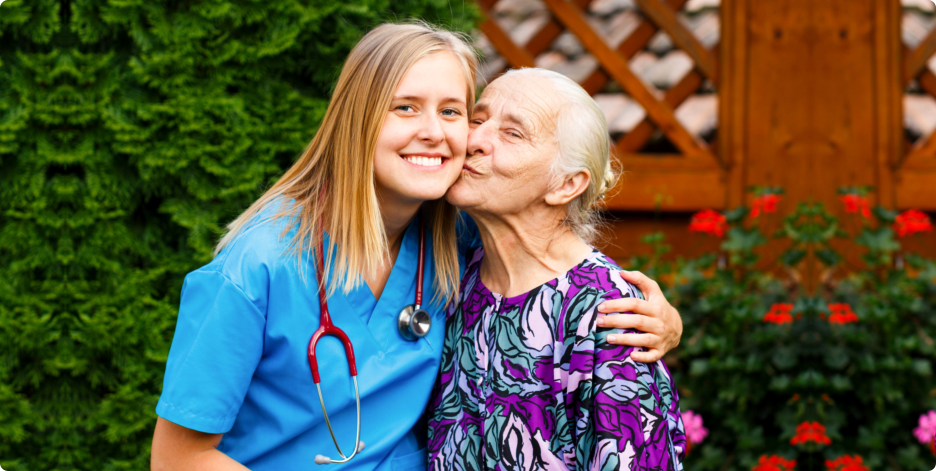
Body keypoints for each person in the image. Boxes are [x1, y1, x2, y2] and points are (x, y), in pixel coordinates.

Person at [150, 23, 683, 471]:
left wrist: (663, 319)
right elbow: (176, 459)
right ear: (358, 119)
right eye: (405, 108)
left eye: (454, 112)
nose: (444, 134)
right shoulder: (256, 265)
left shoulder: (457, 238)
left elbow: (552, 256)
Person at [427, 68, 686, 470]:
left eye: (513, 133)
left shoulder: (607, 315)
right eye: (476, 120)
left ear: (565, 185)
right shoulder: (455, 264)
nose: (474, 140)